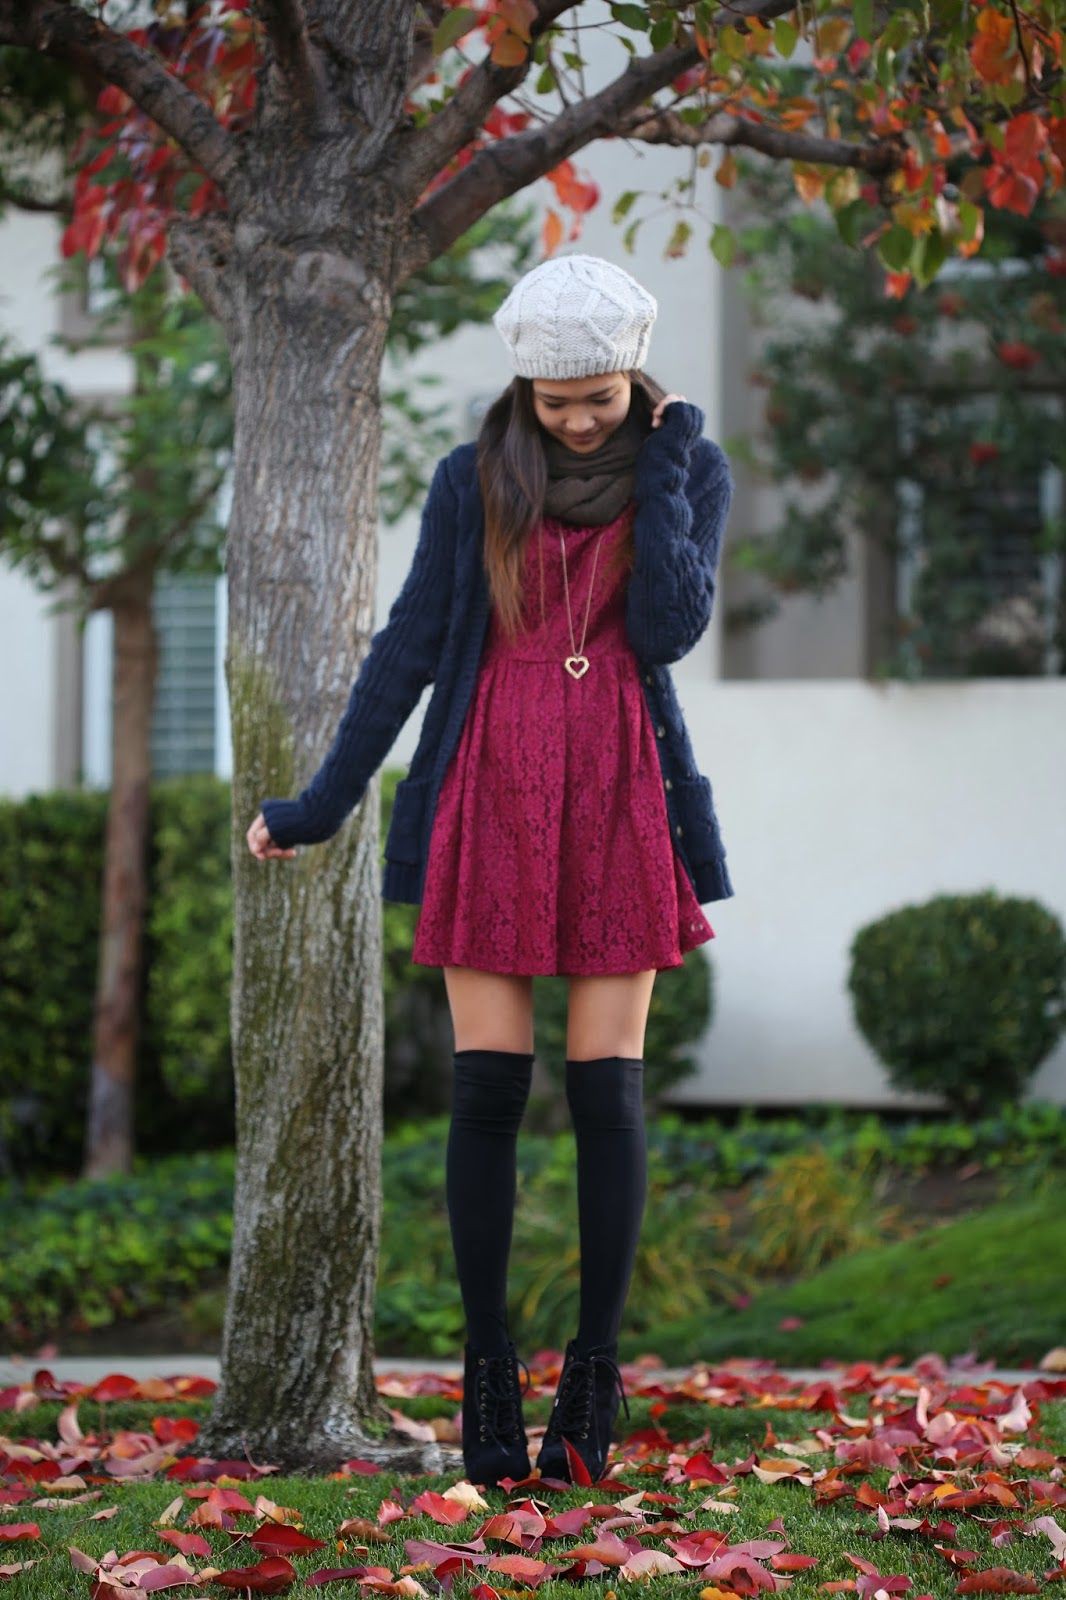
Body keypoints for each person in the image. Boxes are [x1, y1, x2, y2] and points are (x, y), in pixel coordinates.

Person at [246, 253, 735, 1491]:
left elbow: (670, 627)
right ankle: (486, 1376)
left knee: (608, 1090)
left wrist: (668, 463)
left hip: (622, 784)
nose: (576, 419)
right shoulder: (473, 483)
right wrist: (317, 806)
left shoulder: (688, 469)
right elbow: (409, 643)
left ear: (635, 379)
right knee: (486, 1092)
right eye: (556, 399)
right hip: (491, 783)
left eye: (601, 399)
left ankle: (594, 1375)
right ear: (523, 386)